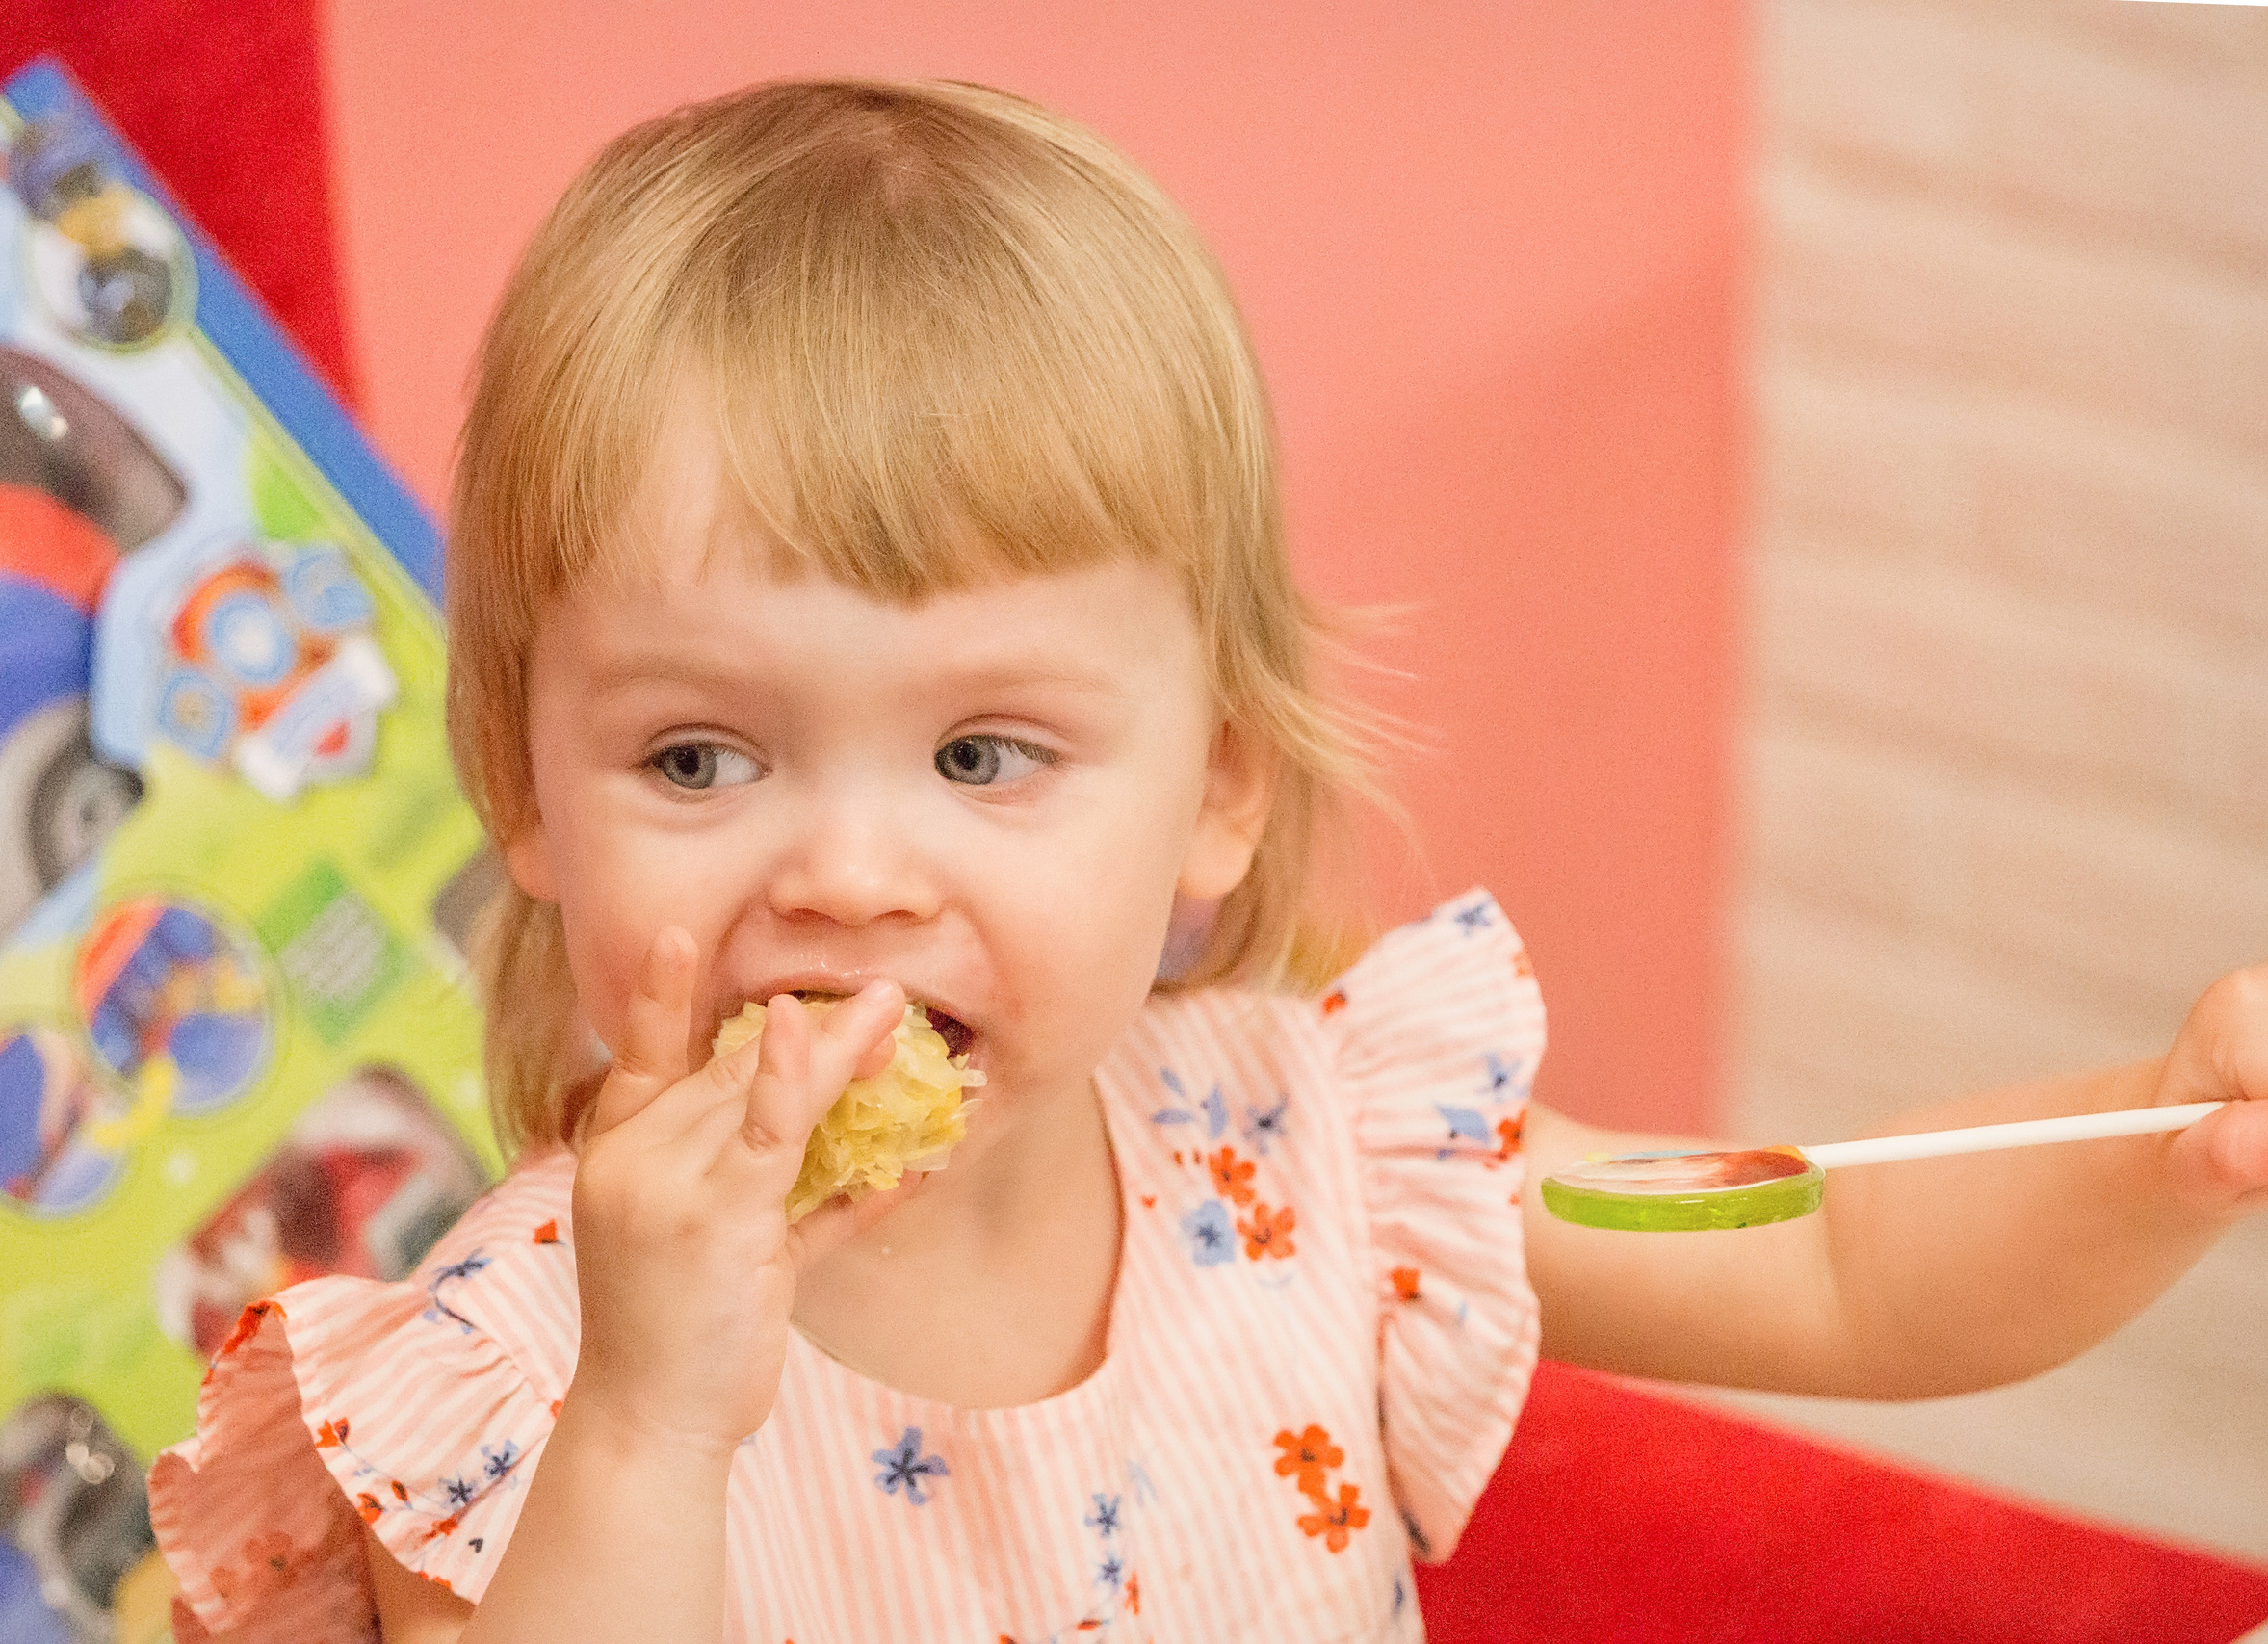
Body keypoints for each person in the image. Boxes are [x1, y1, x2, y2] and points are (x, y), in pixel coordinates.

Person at [144, 79, 2268, 1643]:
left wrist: (2165, 1137)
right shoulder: (510, 1375)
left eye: (983, 751)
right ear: (527, 794)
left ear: (1215, 788)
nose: (852, 872)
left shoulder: (1316, 1144)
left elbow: (1831, 1257)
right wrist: (647, 1421)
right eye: (699, 755)